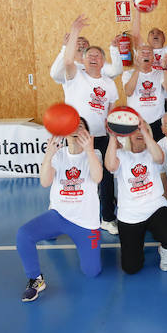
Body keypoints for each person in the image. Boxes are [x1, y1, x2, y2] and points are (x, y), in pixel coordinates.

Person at [16, 118, 102, 302]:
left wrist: (88, 150)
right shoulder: (59, 155)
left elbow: (98, 176)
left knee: (92, 272)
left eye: (80, 126)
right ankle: (35, 280)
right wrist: (48, 154)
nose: (76, 129)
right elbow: (45, 182)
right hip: (58, 216)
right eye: (71, 126)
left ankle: (56, 235)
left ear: (87, 133)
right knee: (23, 234)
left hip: (85, 222)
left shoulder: (94, 153)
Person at [62, 15, 119, 234]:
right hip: (75, 136)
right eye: (89, 55)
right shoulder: (75, 76)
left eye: (97, 55)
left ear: (103, 62)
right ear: (83, 60)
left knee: (105, 177)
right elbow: (67, 61)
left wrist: (115, 137)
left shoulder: (109, 83)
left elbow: (111, 111)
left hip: (101, 136)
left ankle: (107, 217)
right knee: (72, 175)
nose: (93, 58)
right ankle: (65, 214)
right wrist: (74, 32)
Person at [105, 119, 167, 274]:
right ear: (128, 135)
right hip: (130, 214)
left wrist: (145, 132)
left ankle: (165, 251)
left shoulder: (153, 152)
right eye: (136, 130)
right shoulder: (120, 154)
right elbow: (110, 166)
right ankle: (136, 244)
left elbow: (159, 158)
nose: (139, 133)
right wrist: (113, 137)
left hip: (155, 207)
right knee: (131, 268)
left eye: (143, 130)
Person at [132, 0, 167, 113]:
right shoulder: (143, 51)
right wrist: (138, 11)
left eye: (159, 33)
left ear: (164, 38)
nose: (155, 34)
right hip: (150, 102)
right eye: (152, 33)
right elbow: (135, 35)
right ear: (147, 39)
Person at [122, 42, 167, 141]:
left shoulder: (160, 73)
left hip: (157, 123)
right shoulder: (128, 74)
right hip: (135, 123)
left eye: (149, 53)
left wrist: (164, 68)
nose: (146, 55)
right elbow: (128, 92)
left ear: (153, 58)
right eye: (143, 52)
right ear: (136, 57)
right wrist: (137, 69)